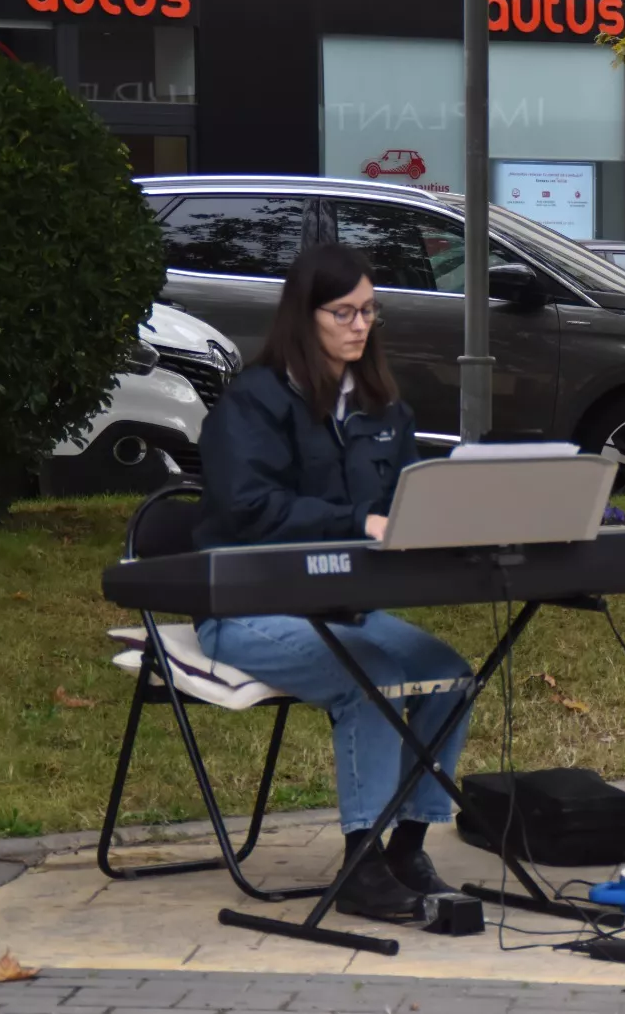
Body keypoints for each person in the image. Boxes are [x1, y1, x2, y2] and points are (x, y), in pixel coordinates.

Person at [192, 242, 474, 922]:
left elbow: (406, 504)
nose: (359, 325)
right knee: (369, 676)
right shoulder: (253, 402)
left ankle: (407, 845)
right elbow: (250, 510)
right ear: (304, 315)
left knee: (451, 677)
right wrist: (360, 520)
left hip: (347, 607)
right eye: (343, 311)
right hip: (248, 607)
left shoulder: (384, 408)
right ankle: (361, 861)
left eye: (369, 311)